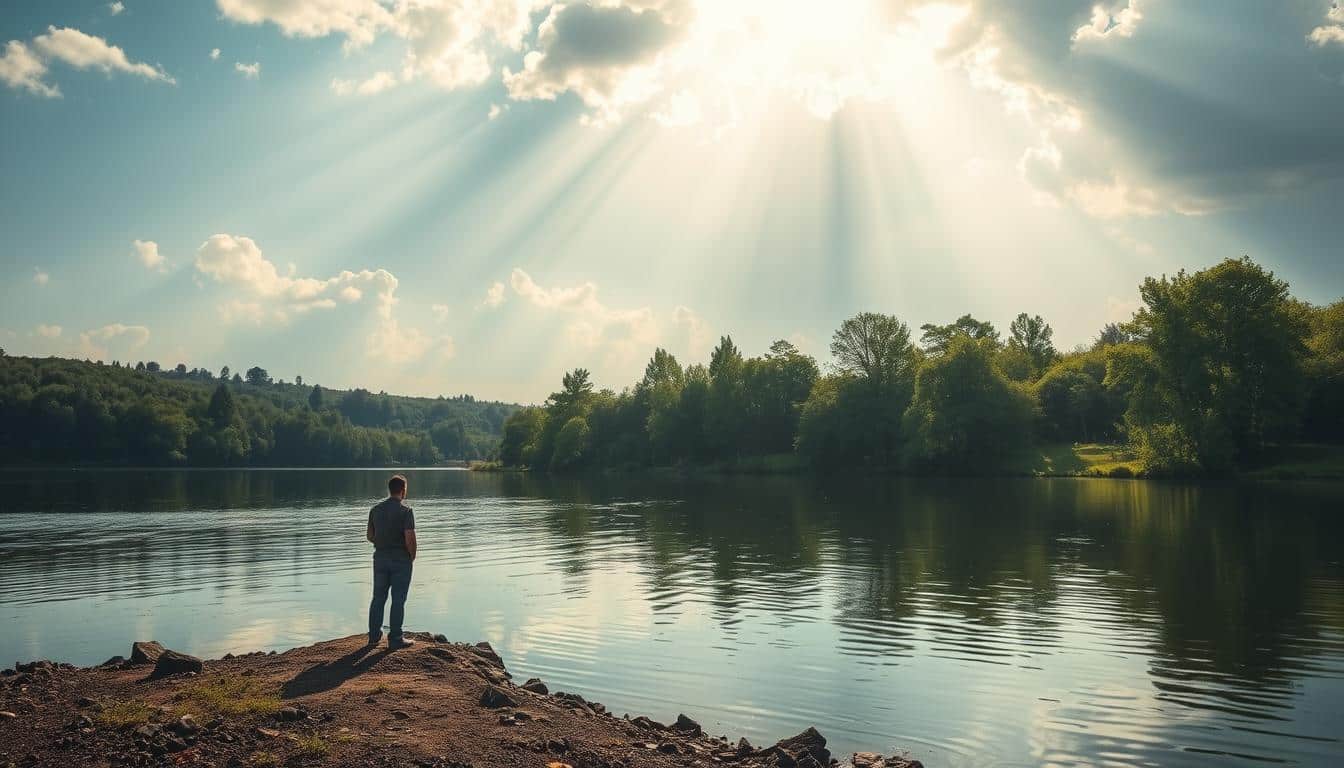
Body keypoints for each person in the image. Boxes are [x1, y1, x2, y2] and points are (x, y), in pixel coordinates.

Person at [367, 474, 417, 648]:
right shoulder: (406, 511)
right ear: (403, 490)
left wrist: (383, 544)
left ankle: (374, 636)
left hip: (380, 558)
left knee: (378, 598)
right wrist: (412, 556)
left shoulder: (375, 510)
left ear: (390, 490)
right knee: (398, 599)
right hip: (400, 560)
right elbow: (410, 538)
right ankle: (395, 638)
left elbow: (369, 536)